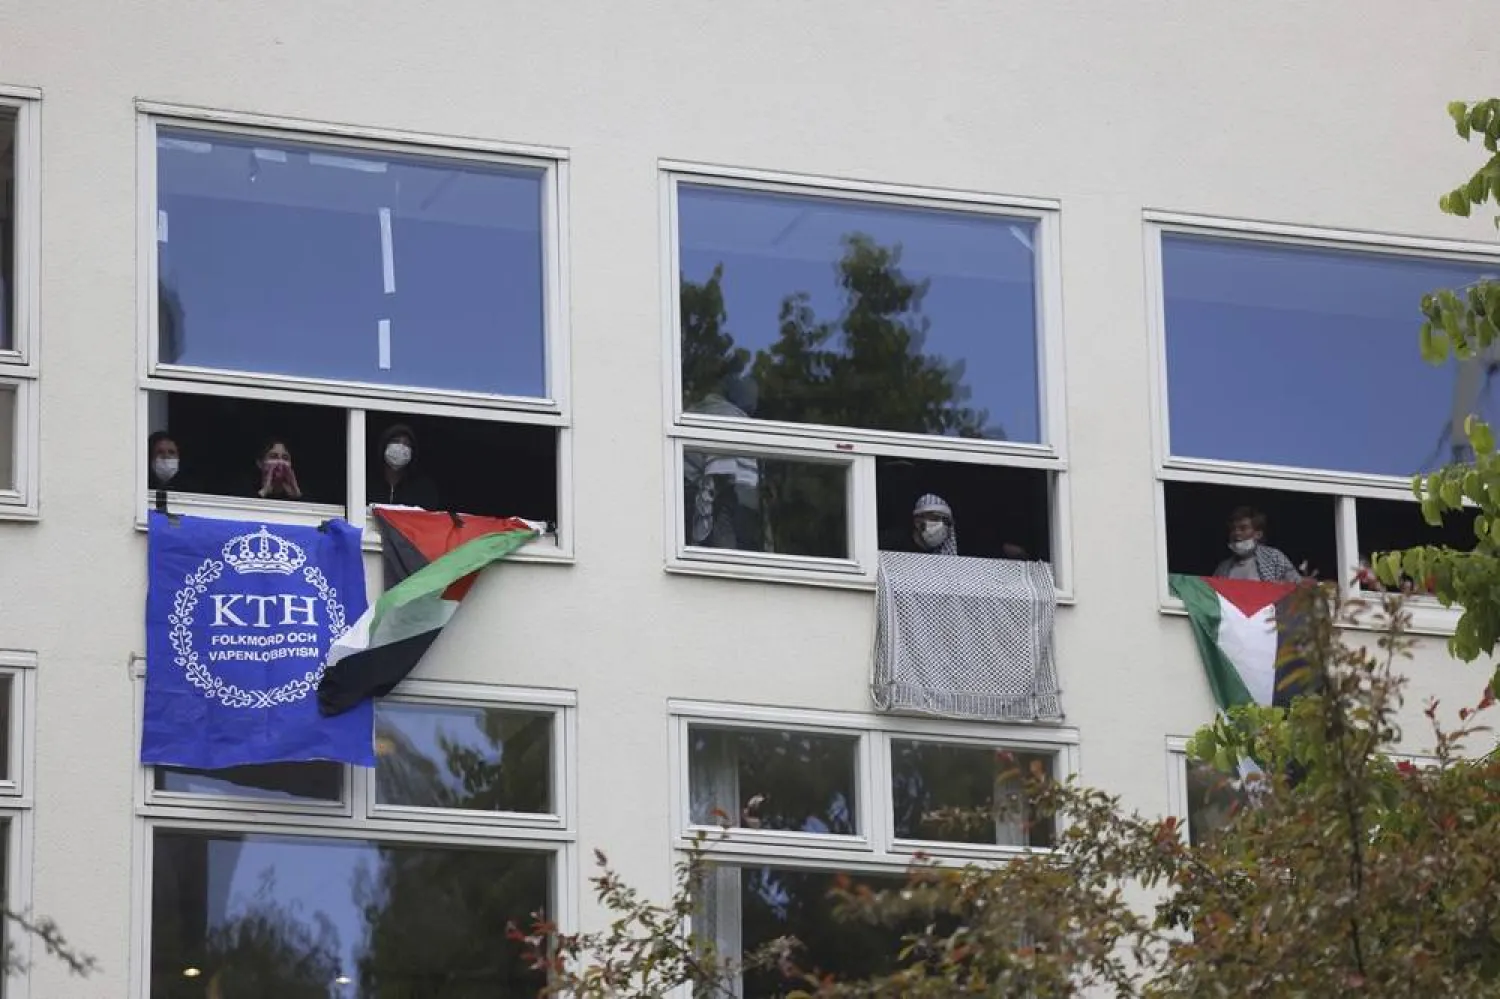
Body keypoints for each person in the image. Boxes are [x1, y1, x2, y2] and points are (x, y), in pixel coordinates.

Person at [904, 493, 1028, 559]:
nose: (941, 525)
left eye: (946, 521)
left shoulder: (957, 548)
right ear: (917, 521)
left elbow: (983, 551)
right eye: (935, 518)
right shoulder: (893, 544)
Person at [1214, 506, 1301, 582]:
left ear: (1258, 534)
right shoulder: (1223, 568)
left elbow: (1298, 587)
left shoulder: (1274, 557)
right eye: (1233, 529)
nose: (1236, 533)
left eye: (1243, 528)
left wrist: (1279, 586)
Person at [371, 423, 440, 509]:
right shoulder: (367, 483)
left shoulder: (423, 488)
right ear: (384, 445)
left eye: (407, 444)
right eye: (395, 441)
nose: (401, 447)